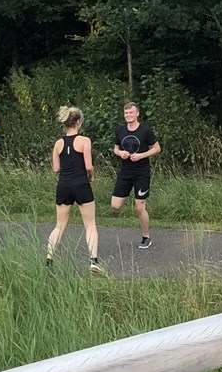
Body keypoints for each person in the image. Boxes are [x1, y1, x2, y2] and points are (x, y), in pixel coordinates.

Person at [46, 106, 101, 274]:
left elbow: (56, 168)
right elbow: (89, 166)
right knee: (90, 225)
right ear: (78, 122)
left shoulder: (58, 144)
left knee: (59, 225)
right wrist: (91, 176)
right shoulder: (84, 141)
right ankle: (93, 261)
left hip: (64, 186)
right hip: (81, 184)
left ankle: (49, 259)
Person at [110, 101, 159, 250]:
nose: (128, 115)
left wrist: (141, 155)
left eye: (131, 112)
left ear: (137, 113)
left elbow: (157, 148)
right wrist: (120, 153)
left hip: (141, 173)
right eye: (126, 113)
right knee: (115, 206)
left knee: (139, 206)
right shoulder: (120, 130)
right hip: (125, 172)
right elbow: (115, 148)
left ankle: (146, 237)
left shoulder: (145, 130)